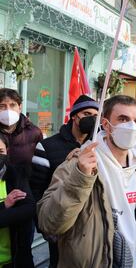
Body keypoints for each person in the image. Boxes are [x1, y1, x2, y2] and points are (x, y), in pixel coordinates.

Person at [37, 95, 136, 267]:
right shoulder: (77, 163)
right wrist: (81, 177)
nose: (131, 126)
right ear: (105, 124)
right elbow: (49, 223)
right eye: (123, 119)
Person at [30, 95, 99, 267]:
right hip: (59, 222)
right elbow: (36, 189)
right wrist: (44, 227)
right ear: (74, 116)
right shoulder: (47, 146)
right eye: (87, 113)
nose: (92, 119)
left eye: (96, 115)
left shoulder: (99, 146)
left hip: (89, 227)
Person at [0, 133, 36, 267]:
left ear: (7, 152)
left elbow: (29, 209)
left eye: (0, 151)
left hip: (13, 260)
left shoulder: (16, 174)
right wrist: (5, 205)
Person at [0, 88, 42, 166]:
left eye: (12, 105)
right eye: (2, 106)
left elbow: (40, 164)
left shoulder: (34, 132)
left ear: (19, 107)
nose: (8, 110)